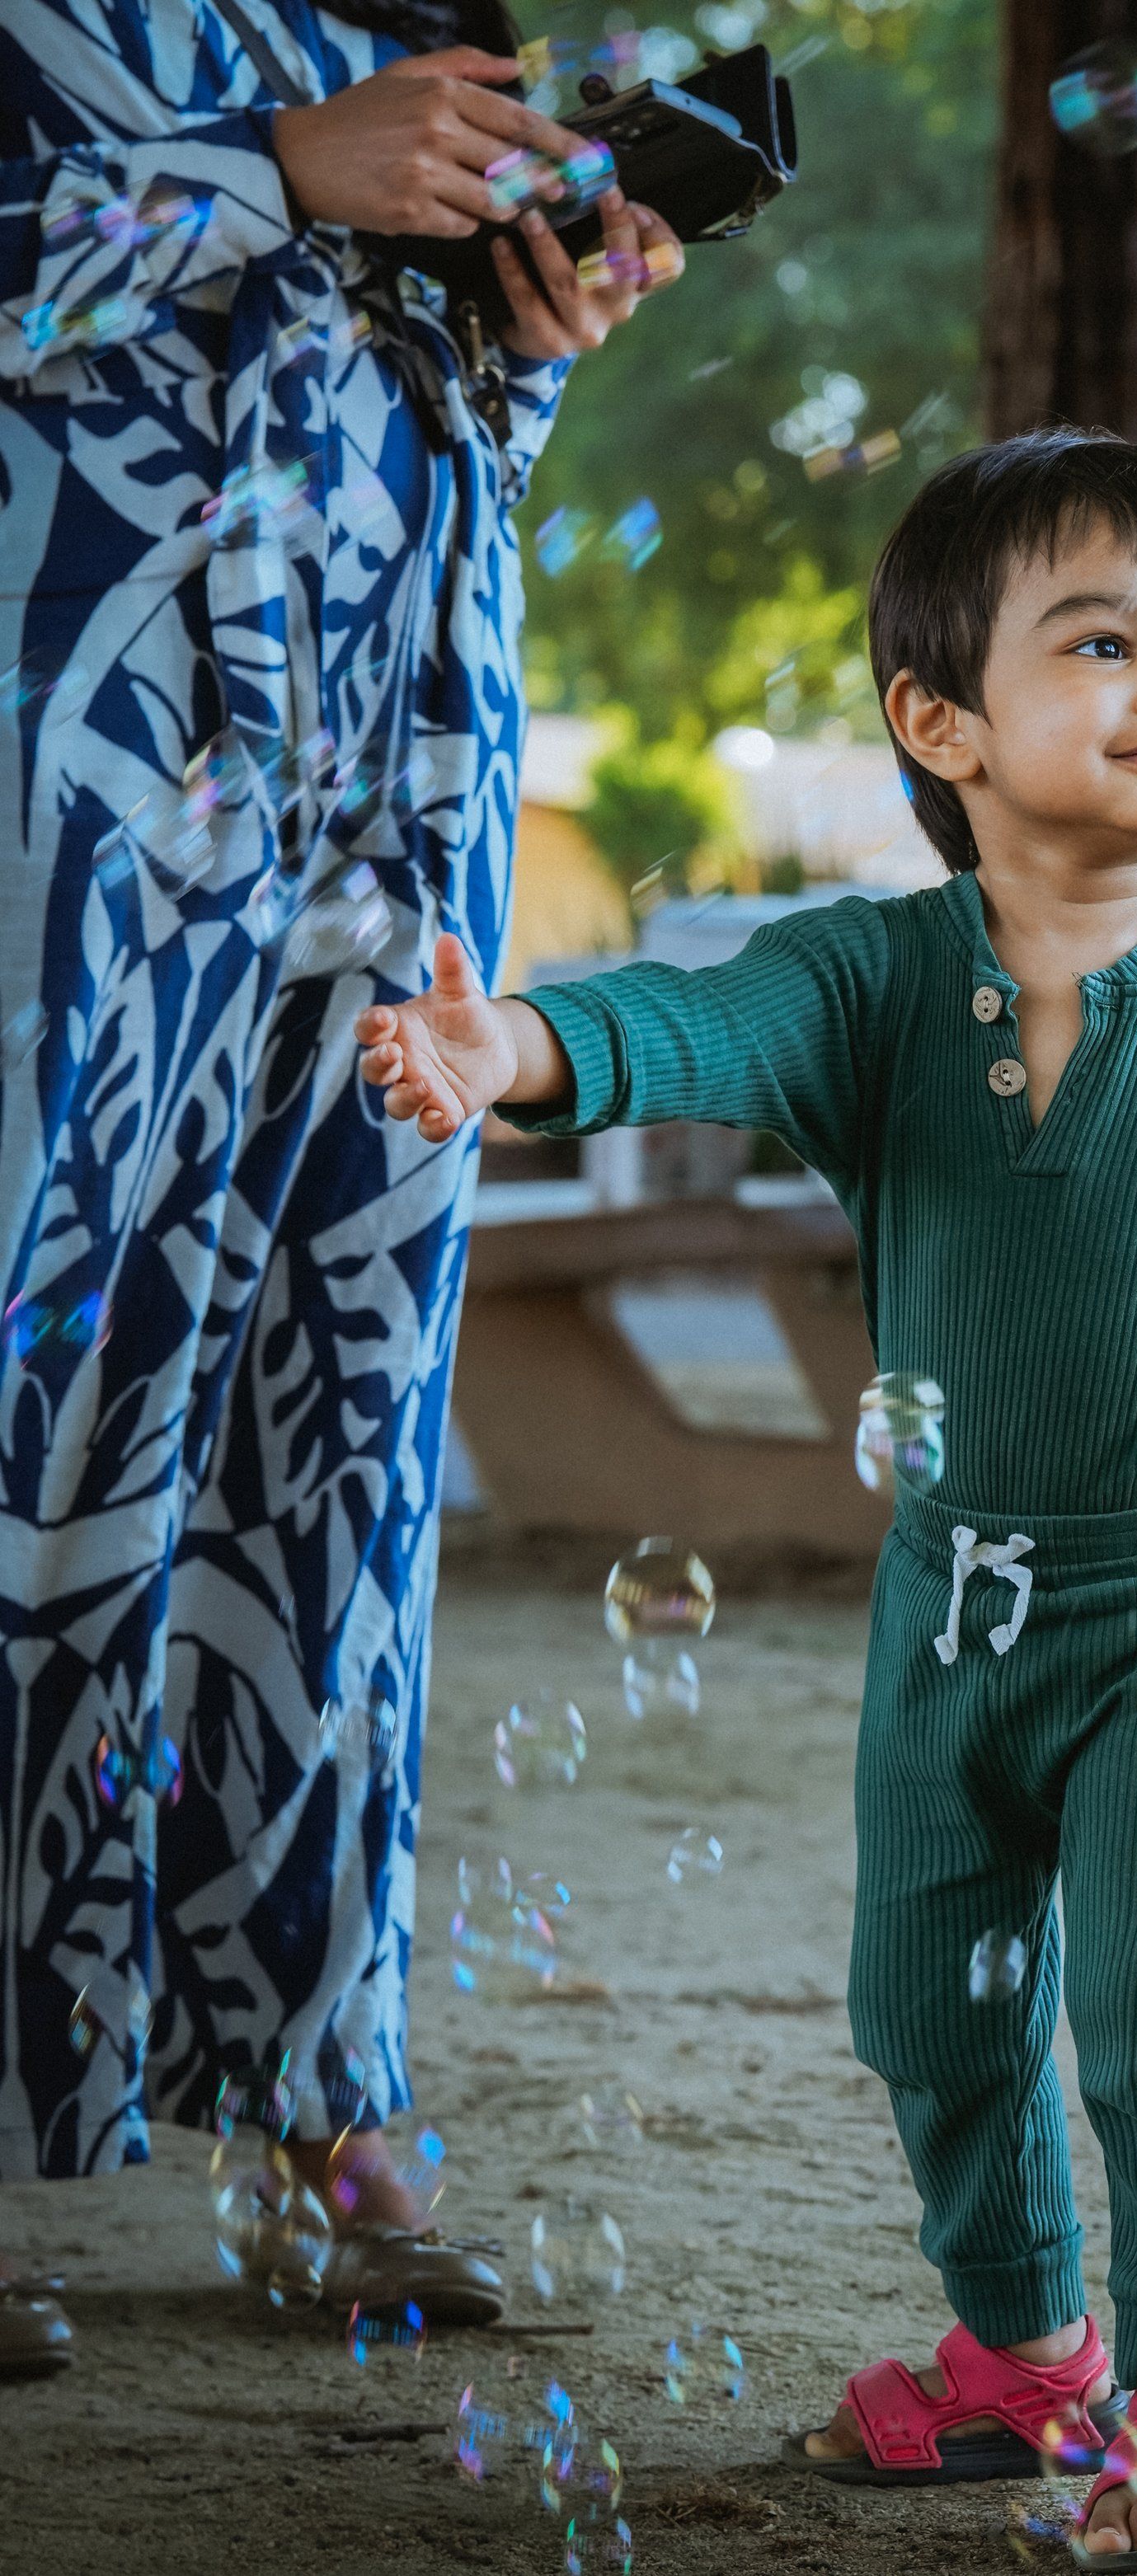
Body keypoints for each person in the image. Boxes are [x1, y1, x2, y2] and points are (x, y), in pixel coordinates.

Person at [355, 431, 1137, 2569]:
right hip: (955, 1600)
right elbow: (690, 1022)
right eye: (1106, 641)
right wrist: (510, 1045)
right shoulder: (874, 976)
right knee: (928, 2004)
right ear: (942, 722)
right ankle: (1017, 2360)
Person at [0, 0, 676, 2377]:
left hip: (391, 812)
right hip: (76, 790)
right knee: (31, 1413)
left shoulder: (406, 23)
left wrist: (519, 327)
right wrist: (273, 166)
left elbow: (377, 419)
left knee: (332, 1448)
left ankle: (309, 2093)